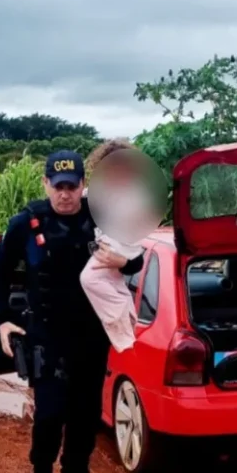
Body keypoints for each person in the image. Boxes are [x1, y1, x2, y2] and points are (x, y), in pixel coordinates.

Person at [0, 150, 144, 473]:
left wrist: (122, 263)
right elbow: (0, 270)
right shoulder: (27, 223)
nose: (65, 194)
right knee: (49, 416)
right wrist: (4, 320)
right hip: (46, 337)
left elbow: (137, 259)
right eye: (58, 187)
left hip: (91, 340)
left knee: (84, 421)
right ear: (46, 184)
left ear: (82, 185)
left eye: (72, 186)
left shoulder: (102, 218)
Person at [80, 144, 157, 353]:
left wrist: (121, 262)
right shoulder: (85, 202)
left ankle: (123, 319)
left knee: (90, 278)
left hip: (97, 324)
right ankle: (125, 316)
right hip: (74, 316)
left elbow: (137, 261)